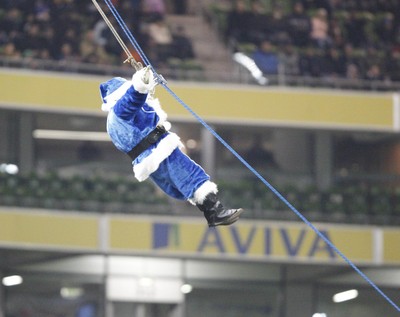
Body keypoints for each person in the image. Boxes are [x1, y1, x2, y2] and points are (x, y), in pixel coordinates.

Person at [99, 66, 244, 227]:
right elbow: (132, 99)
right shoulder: (120, 110)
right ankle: (216, 212)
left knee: (186, 182)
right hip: (158, 152)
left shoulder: (114, 120)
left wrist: (147, 85)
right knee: (192, 176)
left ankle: (212, 212)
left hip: (151, 156)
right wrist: (139, 84)